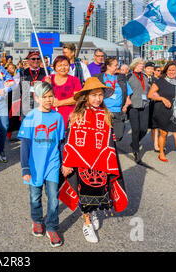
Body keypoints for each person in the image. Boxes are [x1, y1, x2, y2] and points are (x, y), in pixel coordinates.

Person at [59, 77, 128, 243]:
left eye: (100, 95)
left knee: (99, 190)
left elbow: (109, 141)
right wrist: (67, 162)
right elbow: (70, 140)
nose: (98, 99)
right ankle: (87, 222)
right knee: (84, 193)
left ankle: (94, 211)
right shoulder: (76, 114)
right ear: (86, 97)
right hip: (81, 161)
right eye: (94, 95)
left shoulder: (106, 115)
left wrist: (109, 162)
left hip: (100, 161)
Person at [18, 82, 65, 247]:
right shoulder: (30, 117)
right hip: (35, 165)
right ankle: (37, 220)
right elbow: (25, 145)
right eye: (44, 97)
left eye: (50, 96)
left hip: (52, 164)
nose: (48, 99)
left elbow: (60, 143)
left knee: (53, 198)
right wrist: (25, 167)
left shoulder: (58, 117)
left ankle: (52, 227)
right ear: (36, 98)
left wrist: (64, 163)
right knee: (35, 197)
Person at [96, 57, 132, 142]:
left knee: (118, 136)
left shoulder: (121, 77)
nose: (117, 67)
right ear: (108, 66)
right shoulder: (99, 78)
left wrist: (126, 104)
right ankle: (110, 153)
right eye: (115, 65)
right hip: (104, 110)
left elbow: (128, 92)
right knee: (104, 136)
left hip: (118, 110)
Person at [42, 56, 82, 127]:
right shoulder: (47, 78)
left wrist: (59, 103)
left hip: (68, 118)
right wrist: (46, 85)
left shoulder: (74, 80)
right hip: (49, 117)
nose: (63, 68)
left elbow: (77, 98)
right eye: (59, 65)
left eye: (66, 65)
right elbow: (40, 97)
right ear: (54, 67)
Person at [127, 58, 151, 163]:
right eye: (140, 64)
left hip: (145, 104)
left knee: (144, 129)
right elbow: (125, 91)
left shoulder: (145, 76)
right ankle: (136, 151)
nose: (142, 65)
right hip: (133, 105)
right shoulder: (129, 76)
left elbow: (149, 89)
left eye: (143, 64)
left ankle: (134, 142)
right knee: (136, 129)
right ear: (135, 64)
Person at [19, 51, 48, 117]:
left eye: (38, 59)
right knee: (27, 125)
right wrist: (30, 85)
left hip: (42, 103)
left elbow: (50, 88)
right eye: (33, 59)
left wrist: (41, 84)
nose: (36, 61)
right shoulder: (23, 72)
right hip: (27, 104)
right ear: (28, 61)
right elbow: (21, 89)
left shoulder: (46, 72)